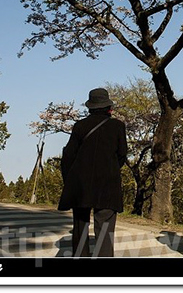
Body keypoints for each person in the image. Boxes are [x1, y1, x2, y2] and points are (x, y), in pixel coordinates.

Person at [58, 88, 127, 257]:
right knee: (104, 227)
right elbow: (122, 154)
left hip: (81, 184)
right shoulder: (117, 126)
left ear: (90, 107)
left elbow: (68, 155)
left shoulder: (80, 126)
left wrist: (69, 179)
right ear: (108, 107)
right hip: (107, 183)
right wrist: (110, 169)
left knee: (80, 224)